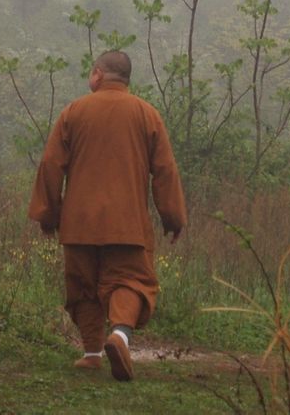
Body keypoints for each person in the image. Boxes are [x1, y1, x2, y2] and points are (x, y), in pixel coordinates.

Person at [29, 50, 187, 382]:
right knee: (131, 281)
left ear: (98, 75)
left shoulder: (74, 111)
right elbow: (165, 171)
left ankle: (91, 353)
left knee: (83, 286)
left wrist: (48, 213)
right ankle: (120, 337)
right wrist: (172, 217)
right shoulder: (147, 114)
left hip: (79, 222)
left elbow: (51, 164)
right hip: (127, 223)